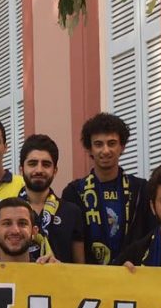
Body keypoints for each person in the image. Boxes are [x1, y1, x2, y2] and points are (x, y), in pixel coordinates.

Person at [61, 112, 150, 265]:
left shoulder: (141, 189)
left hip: (133, 273)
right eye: (98, 144)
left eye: (112, 143)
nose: (106, 150)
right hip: (90, 277)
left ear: (122, 147)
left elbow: (151, 235)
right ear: (89, 149)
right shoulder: (74, 192)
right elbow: (70, 242)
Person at [18, 135, 86, 263]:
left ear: (55, 171)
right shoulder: (7, 212)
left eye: (46, 164)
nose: (39, 170)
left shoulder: (72, 212)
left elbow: (79, 266)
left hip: (61, 276)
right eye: (32, 164)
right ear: (21, 169)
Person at [0, 198, 57, 264]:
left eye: (22, 223)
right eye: (7, 223)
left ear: (34, 232)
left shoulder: (51, 271)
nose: (15, 231)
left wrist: (59, 270)